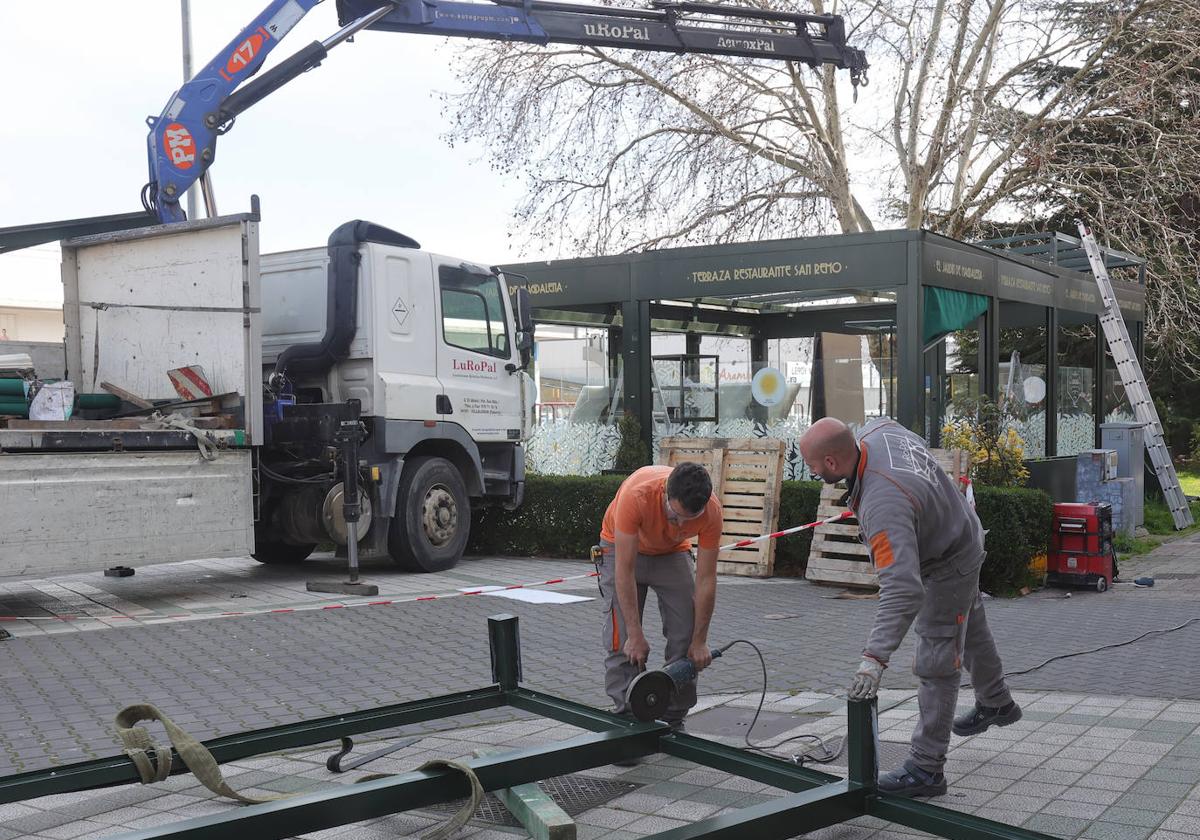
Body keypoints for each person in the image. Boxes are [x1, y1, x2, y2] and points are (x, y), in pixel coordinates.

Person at [798, 417, 1021, 798]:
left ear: (832, 462)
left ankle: (926, 768)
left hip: (948, 560)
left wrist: (874, 658)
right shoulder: (876, 431)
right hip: (961, 529)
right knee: (970, 629)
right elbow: (902, 431)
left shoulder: (882, 504)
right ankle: (996, 701)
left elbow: (902, 589)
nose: (813, 471)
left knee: (937, 655)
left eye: (814, 465)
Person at [596, 461, 722, 733]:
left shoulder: (711, 510)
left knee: (686, 632)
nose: (679, 524)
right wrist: (635, 633)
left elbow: (706, 579)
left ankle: (672, 718)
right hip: (621, 549)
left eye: (688, 520)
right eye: (674, 515)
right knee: (622, 642)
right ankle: (626, 719)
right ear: (665, 492)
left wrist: (700, 641)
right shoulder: (637, 495)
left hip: (671, 552)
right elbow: (624, 572)